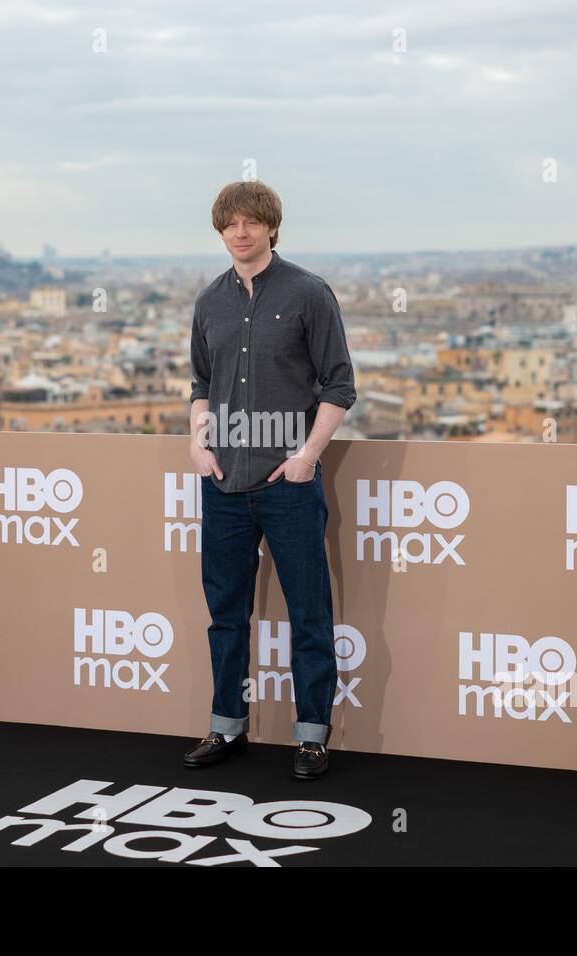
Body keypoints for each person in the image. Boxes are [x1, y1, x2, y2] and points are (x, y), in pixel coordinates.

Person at [182, 180, 356, 779]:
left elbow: (339, 384)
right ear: (220, 231)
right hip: (223, 482)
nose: (241, 232)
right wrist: (197, 443)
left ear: (272, 228)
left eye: (252, 222)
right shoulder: (209, 303)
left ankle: (311, 736)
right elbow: (201, 384)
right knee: (225, 613)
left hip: (289, 481)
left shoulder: (309, 293)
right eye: (230, 224)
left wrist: (307, 455)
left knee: (310, 610)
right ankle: (225, 726)